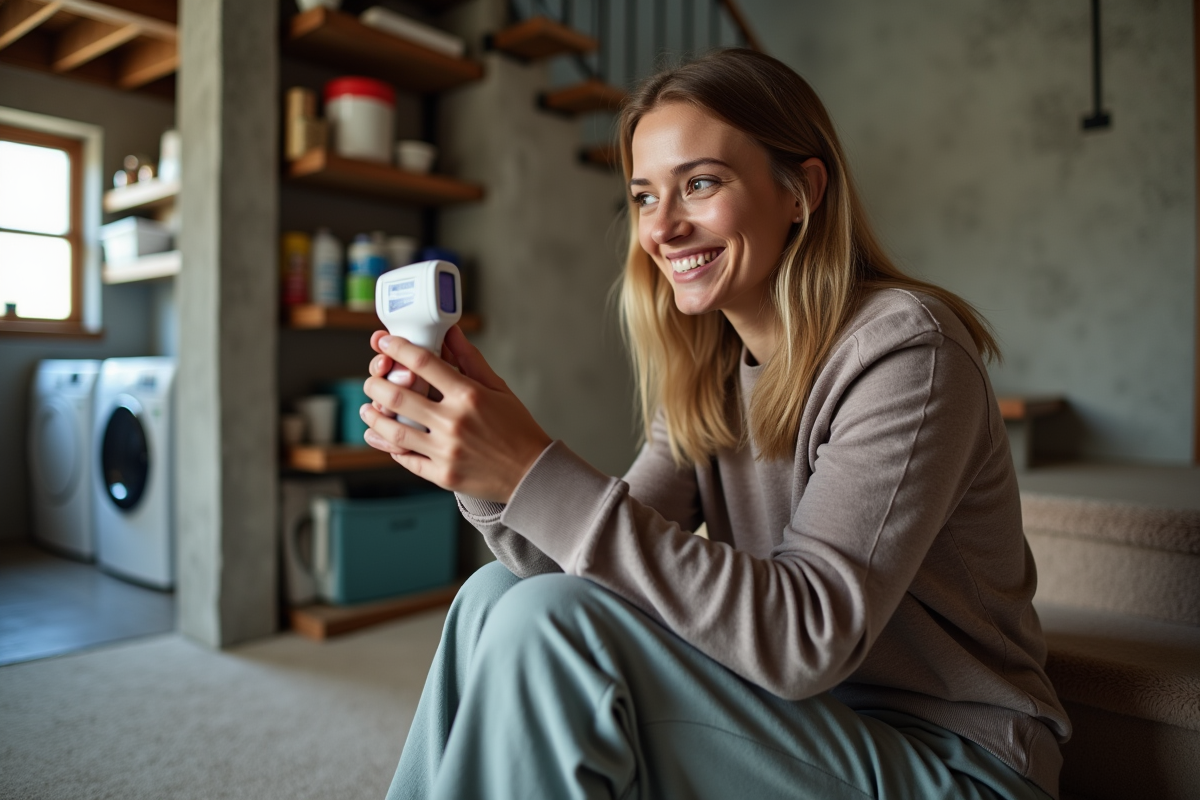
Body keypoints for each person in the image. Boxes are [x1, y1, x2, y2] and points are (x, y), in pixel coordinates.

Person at [359, 48, 1070, 800]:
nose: (661, 228)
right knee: (493, 597)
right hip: (790, 723)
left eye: (699, 183)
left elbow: (808, 636)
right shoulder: (711, 371)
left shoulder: (907, 351)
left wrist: (533, 467)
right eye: (642, 197)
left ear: (801, 190)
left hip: (957, 765)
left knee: (551, 628)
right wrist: (483, 474)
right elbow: (585, 567)